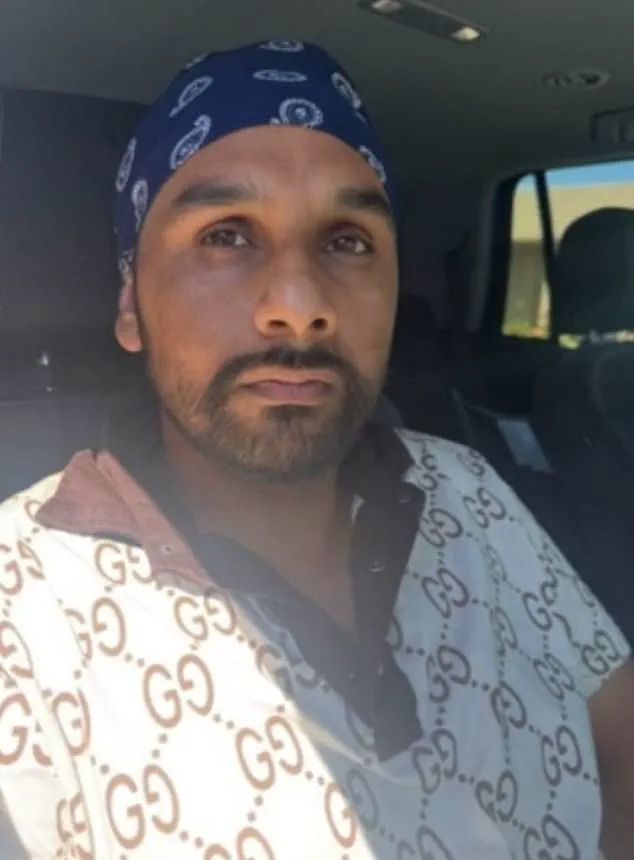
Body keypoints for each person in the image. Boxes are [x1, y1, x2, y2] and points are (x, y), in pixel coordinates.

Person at [0, 40, 632, 860]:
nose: (299, 307)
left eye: (348, 242)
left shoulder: (469, 487)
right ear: (130, 306)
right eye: (227, 234)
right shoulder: (24, 606)